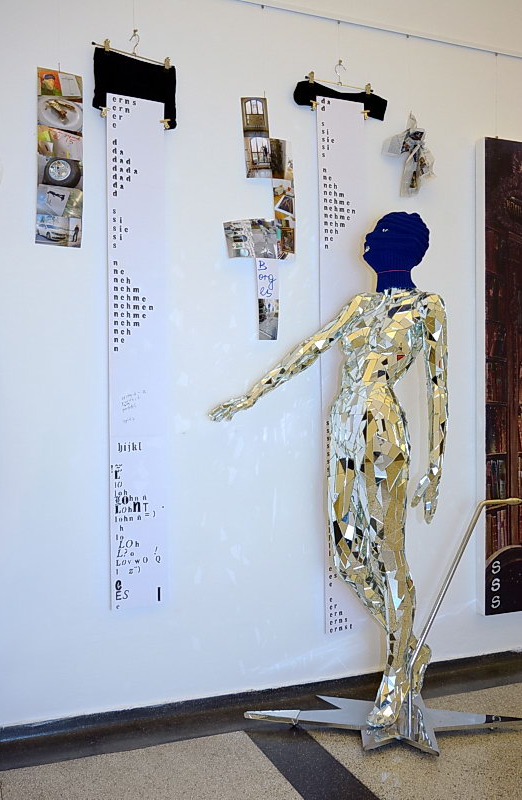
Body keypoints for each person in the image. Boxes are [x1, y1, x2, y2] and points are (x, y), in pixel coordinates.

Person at [209, 212, 448, 728]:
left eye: (381, 239)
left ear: (406, 249)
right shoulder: (359, 306)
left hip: (382, 430)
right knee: (347, 555)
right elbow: (309, 349)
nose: (371, 245)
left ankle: (395, 678)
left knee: (389, 553)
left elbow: (437, 388)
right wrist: (252, 394)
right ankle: (410, 647)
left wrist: (435, 465)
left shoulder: (427, 308)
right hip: (342, 427)